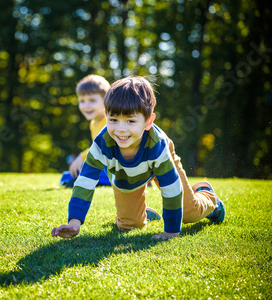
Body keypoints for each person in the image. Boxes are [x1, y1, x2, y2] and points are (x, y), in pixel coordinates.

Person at [52, 76, 226, 240]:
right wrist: (74, 223)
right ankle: (142, 213)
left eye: (130, 121)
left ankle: (208, 197)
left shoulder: (157, 146)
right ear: (106, 115)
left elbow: (171, 187)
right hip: (125, 176)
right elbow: (85, 181)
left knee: (188, 214)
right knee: (129, 225)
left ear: (148, 121)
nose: (120, 129)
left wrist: (171, 231)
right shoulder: (102, 143)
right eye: (113, 119)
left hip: (159, 166)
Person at [61, 75, 111, 187]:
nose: (86, 106)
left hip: (120, 167)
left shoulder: (110, 121)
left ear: (106, 101)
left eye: (92, 100)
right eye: (82, 101)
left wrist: (82, 157)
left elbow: (104, 147)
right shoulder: (93, 123)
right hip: (105, 167)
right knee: (68, 174)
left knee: (85, 173)